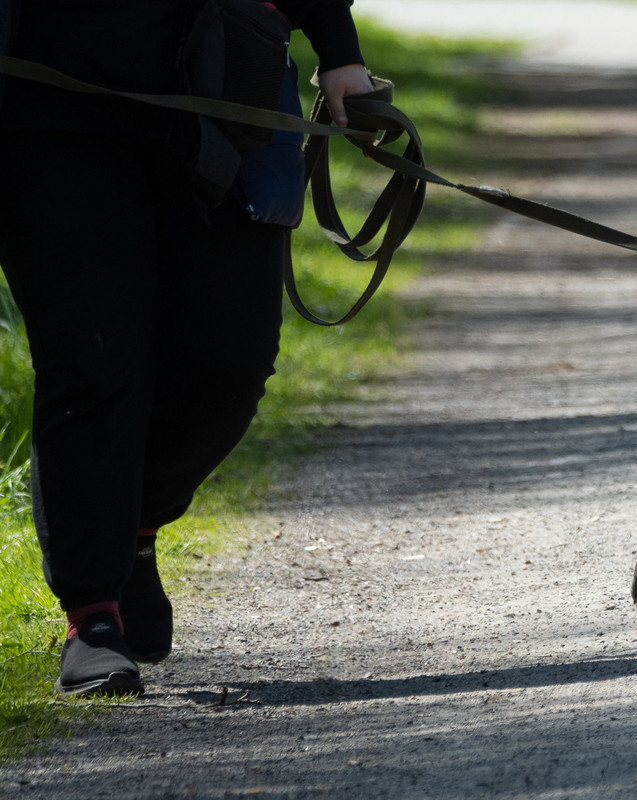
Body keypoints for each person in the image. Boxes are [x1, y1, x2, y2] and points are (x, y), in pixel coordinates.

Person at [0, 0, 374, 696]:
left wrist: (338, 49)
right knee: (92, 360)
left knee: (230, 361)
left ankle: (135, 523)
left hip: (229, 79)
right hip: (45, 100)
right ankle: (93, 616)